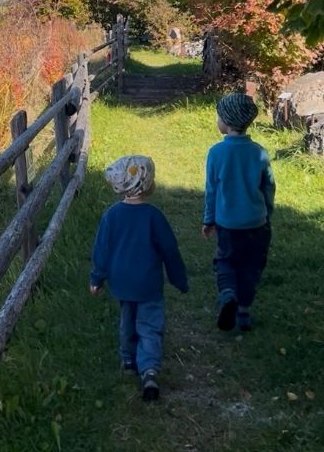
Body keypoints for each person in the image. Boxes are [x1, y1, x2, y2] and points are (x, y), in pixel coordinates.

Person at [90, 155, 188, 401]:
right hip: (149, 284)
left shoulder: (111, 216)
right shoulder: (154, 217)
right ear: (148, 184)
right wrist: (178, 278)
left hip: (122, 282)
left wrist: (97, 278)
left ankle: (128, 359)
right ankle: (150, 370)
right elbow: (170, 250)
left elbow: (101, 251)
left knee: (127, 321)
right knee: (150, 326)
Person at [202, 93, 275, 332]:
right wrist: (267, 213)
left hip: (228, 224)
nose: (217, 121)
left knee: (226, 261)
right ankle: (243, 312)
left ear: (228, 122)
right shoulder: (259, 152)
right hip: (256, 223)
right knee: (251, 266)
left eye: (219, 117)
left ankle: (228, 295)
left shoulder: (216, 153)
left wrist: (209, 220)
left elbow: (211, 190)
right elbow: (268, 186)